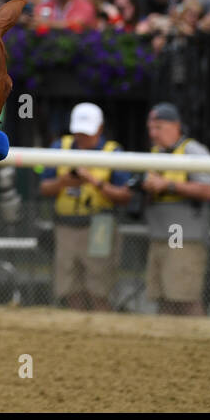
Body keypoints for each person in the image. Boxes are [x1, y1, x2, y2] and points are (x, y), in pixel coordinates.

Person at [37, 103, 131, 310]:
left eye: (86, 132)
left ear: (100, 128)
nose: (82, 137)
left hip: (100, 224)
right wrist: (63, 182)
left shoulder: (112, 151)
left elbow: (125, 195)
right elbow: (43, 187)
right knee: (70, 288)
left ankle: (101, 331)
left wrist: (94, 181)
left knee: (99, 288)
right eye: (78, 132)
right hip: (66, 225)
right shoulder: (59, 147)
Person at [138, 102, 210, 315]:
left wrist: (168, 185)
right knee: (163, 296)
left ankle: (201, 342)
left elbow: (207, 191)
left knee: (183, 295)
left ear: (176, 126)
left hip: (180, 234)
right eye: (150, 128)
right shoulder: (155, 153)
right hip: (159, 233)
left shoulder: (193, 150)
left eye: (158, 127)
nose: (153, 133)